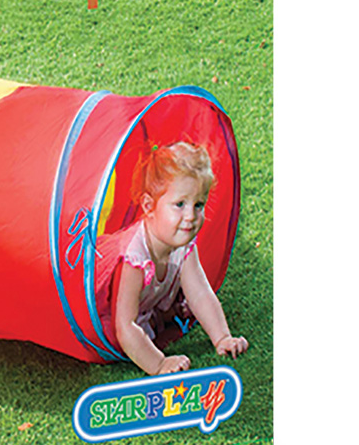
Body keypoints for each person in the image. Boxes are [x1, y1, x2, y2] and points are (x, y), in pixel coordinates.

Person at [96, 141, 248, 376]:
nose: (191, 216)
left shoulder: (182, 243)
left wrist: (222, 338)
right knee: (123, 329)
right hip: (108, 314)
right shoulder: (134, 258)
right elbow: (124, 326)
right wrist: (159, 364)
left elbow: (200, 293)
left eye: (198, 205)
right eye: (180, 204)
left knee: (177, 309)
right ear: (149, 206)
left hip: (144, 311)